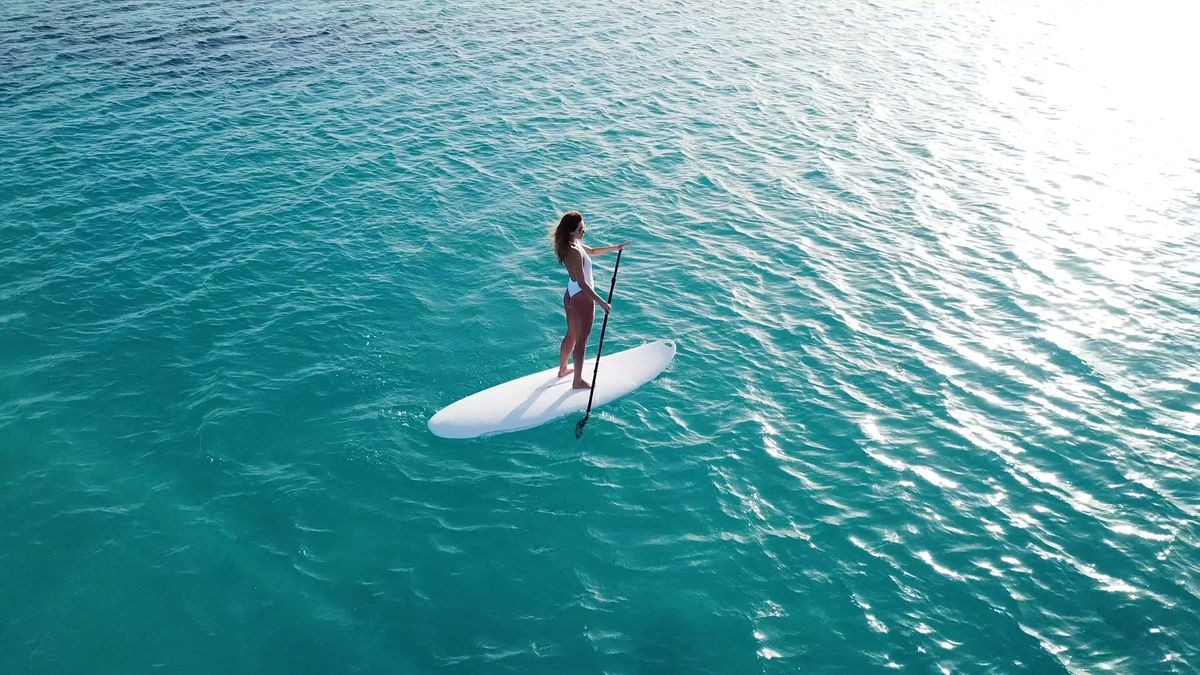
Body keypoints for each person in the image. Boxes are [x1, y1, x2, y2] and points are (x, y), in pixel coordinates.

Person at [549, 211, 629, 389]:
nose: (583, 231)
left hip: (570, 293)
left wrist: (616, 248)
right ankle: (577, 381)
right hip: (581, 298)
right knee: (581, 340)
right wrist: (602, 303)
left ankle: (562, 370)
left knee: (571, 334)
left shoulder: (570, 244)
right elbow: (584, 284)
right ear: (571, 231)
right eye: (580, 229)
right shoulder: (575, 251)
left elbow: (592, 251)